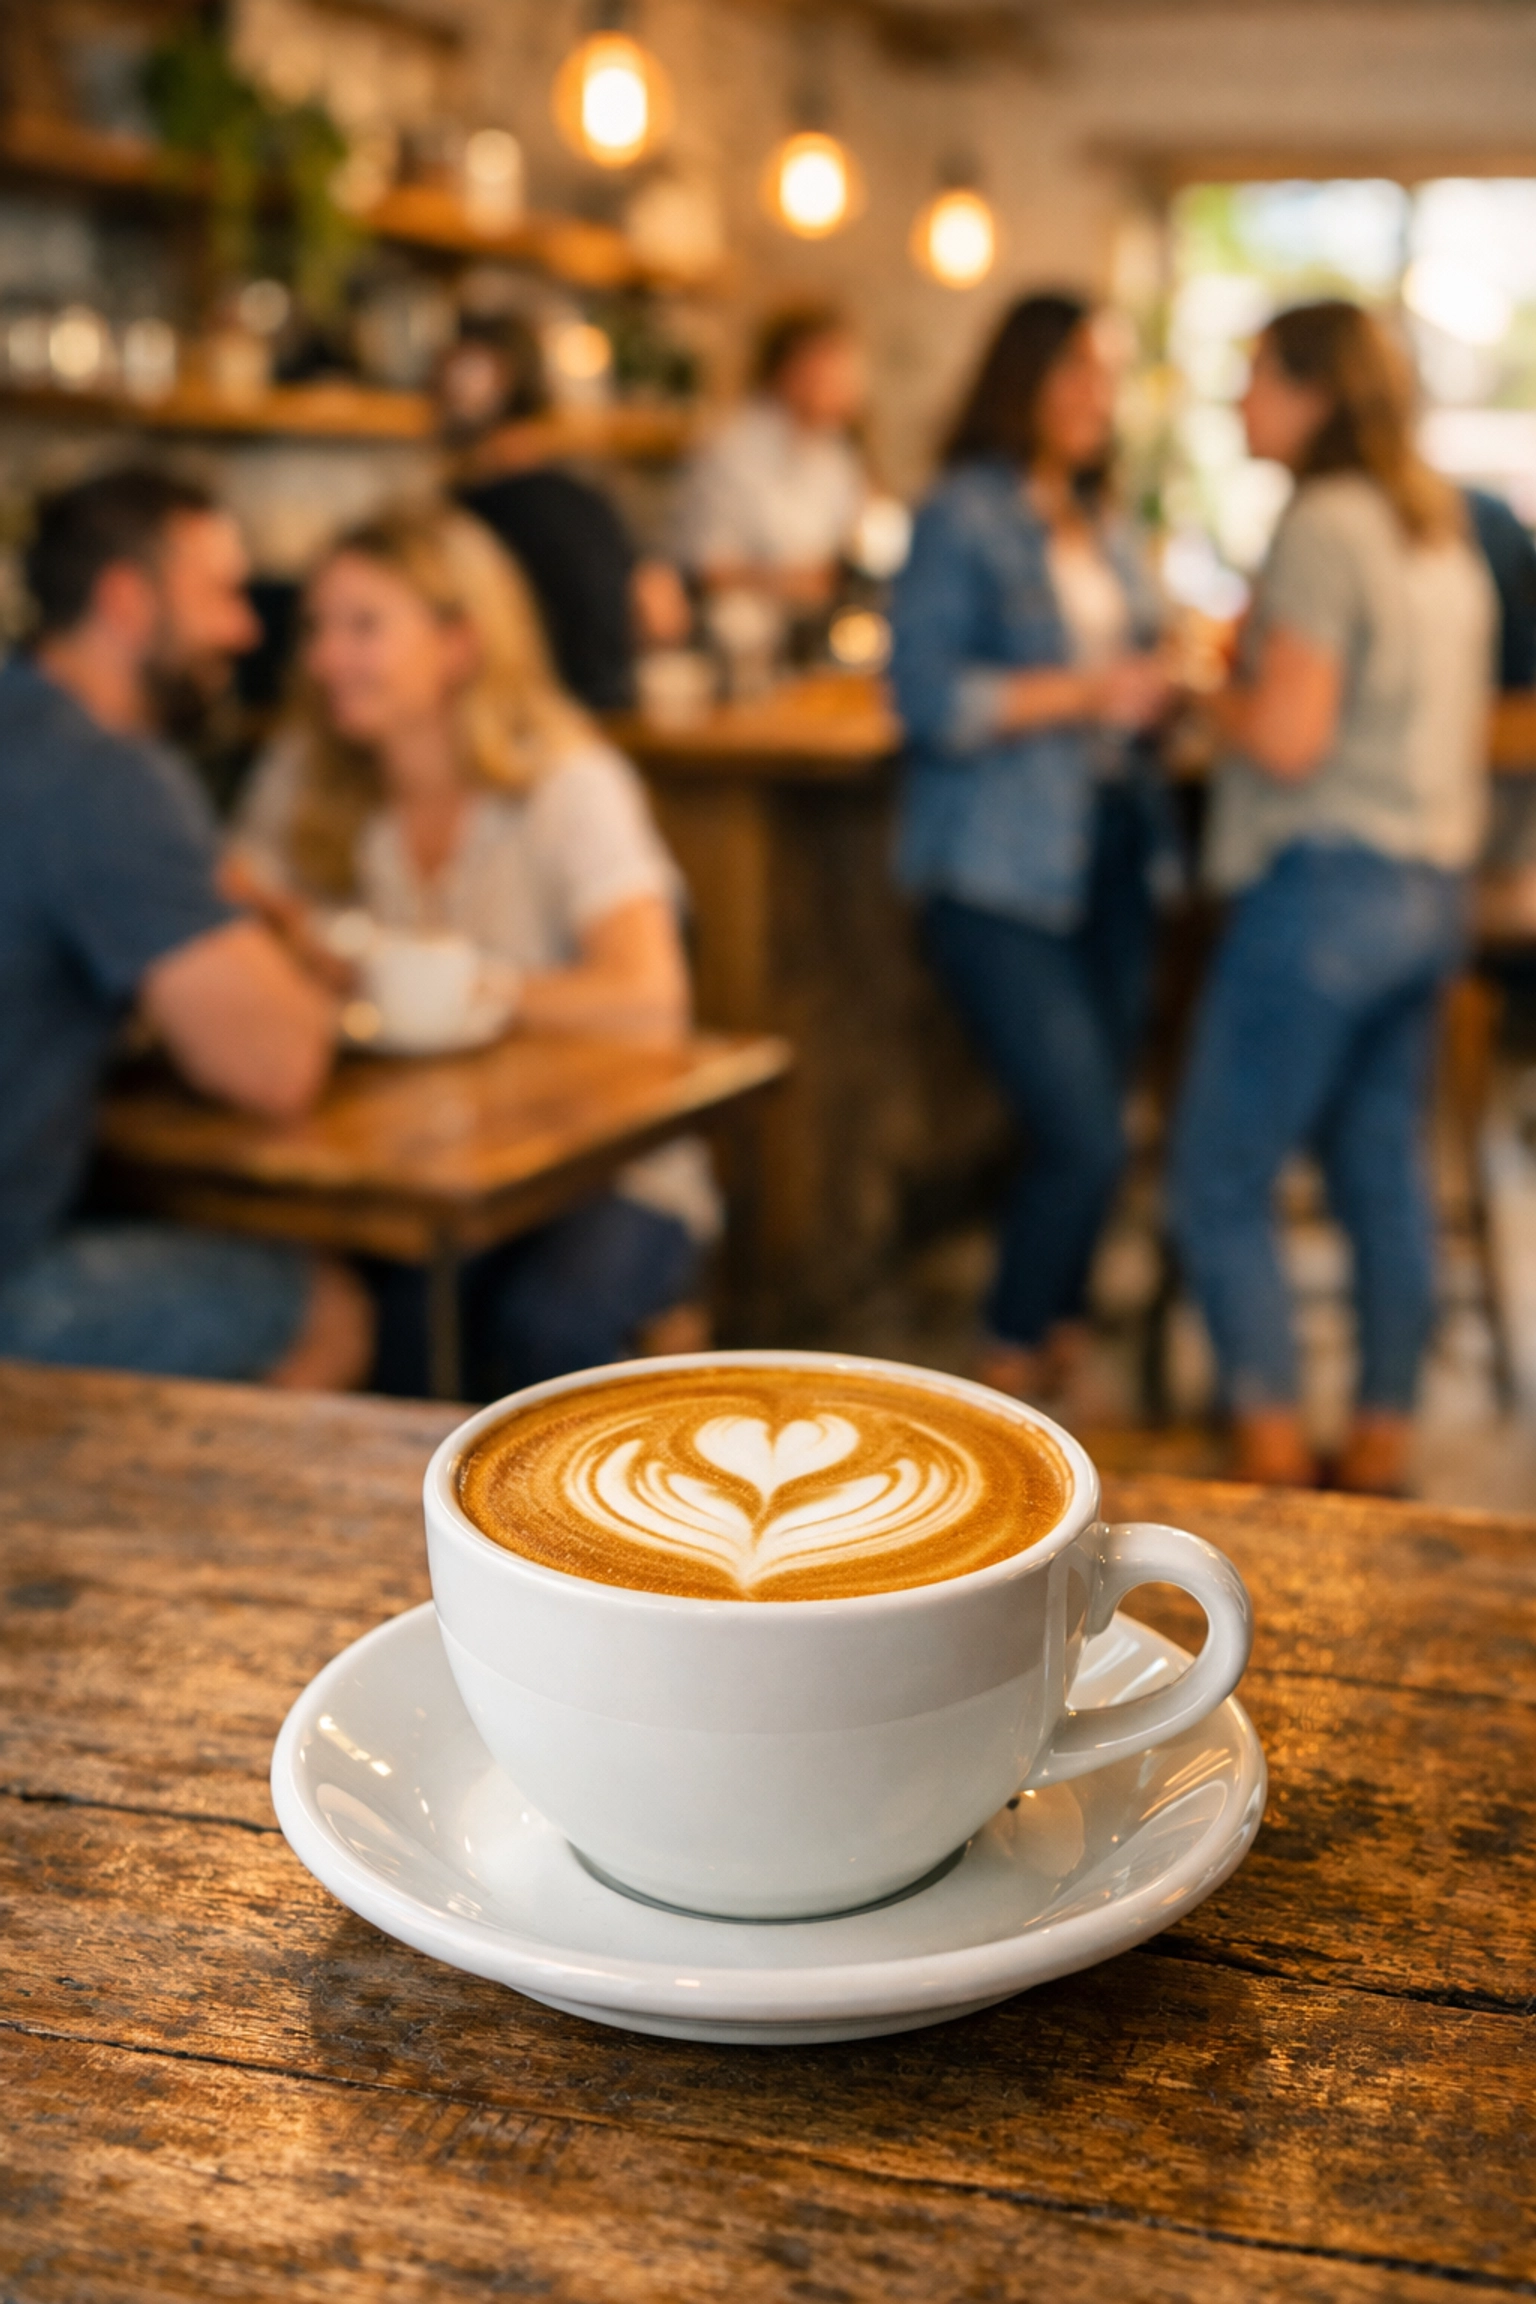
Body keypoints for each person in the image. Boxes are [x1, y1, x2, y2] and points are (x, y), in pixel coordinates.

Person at [232, 503, 715, 1398]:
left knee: (547, 1330)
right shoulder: (306, 772)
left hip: (604, 1165)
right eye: (318, 628)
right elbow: (238, 902)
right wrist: (292, 935)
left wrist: (451, 988)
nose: (324, 658)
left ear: (460, 645)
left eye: (364, 626)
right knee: (404, 1325)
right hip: (410, 1165)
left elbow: (651, 999)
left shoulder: (569, 782)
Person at [1169, 301, 1495, 1495]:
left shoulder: (1323, 522)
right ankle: (1377, 1452)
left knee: (1217, 1176)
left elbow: (1292, 740)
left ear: (1313, 394)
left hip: (1326, 889)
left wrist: (1201, 684)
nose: (1241, 403)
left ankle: (1269, 1463)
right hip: (1425, 891)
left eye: (1256, 378)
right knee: (1378, 1174)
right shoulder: (1434, 528)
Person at [0, 467, 371, 1386]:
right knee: (324, 1310)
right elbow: (276, 1067)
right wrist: (308, 973)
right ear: (126, 602)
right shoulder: (105, 774)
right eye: (222, 595)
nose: (247, 631)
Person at [890, 292, 1174, 1410]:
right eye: (1080, 374)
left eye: (1107, 376)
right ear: (1028, 381)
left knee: (1103, 1121)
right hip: (996, 862)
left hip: (1111, 847)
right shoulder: (963, 515)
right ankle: (1003, 1374)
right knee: (1083, 1131)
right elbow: (924, 698)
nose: (1099, 398)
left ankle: (1054, 1347)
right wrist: (1090, 691)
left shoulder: (1099, 518)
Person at [443, 312, 687, 711]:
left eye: (456, 373)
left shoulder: (470, 516)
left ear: (494, 379)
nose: (439, 388)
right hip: (605, 723)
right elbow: (662, 617)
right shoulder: (587, 498)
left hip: (521, 734)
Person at [672, 305, 869, 608]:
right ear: (790, 371)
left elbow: (849, 547)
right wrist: (796, 582)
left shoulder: (835, 454)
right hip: (732, 630)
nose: (845, 385)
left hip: (811, 630)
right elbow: (707, 570)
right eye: (831, 368)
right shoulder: (730, 449)